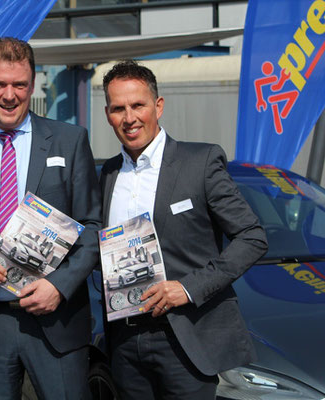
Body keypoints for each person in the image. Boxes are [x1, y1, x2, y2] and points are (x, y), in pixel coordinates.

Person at [0, 37, 101, 399]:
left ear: (33, 82)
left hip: (56, 318)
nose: (9, 95)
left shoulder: (69, 141)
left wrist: (60, 285)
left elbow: (93, 228)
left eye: (20, 85)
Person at [99, 60, 268, 399]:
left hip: (185, 337)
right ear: (108, 114)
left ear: (158, 106)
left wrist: (187, 288)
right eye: (118, 108)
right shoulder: (107, 174)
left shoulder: (200, 161)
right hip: (125, 342)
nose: (129, 117)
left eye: (138, 105)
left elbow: (252, 236)